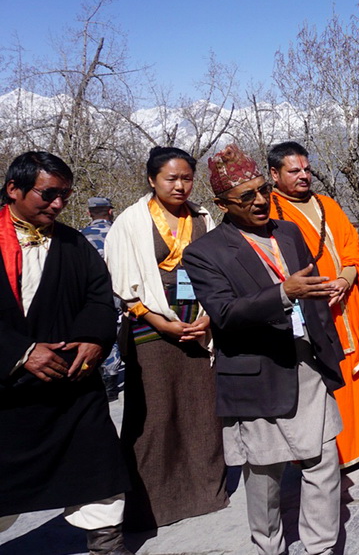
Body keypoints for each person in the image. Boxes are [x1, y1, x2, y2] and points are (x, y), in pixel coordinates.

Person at [183, 143, 346, 555]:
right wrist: (281, 293)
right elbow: (224, 313)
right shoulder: (205, 252)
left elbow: (312, 294)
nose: (259, 201)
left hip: (305, 363)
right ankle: (268, 546)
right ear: (223, 203)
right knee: (265, 474)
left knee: (323, 463)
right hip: (257, 373)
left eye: (262, 192)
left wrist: (330, 348)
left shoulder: (287, 232)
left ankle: (320, 547)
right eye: (246, 197)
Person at [0, 151, 131, 555]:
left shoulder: (74, 243)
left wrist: (93, 338)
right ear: (13, 190)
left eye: (65, 195)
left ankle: (107, 545)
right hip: (7, 396)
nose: (58, 204)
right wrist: (21, 352)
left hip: (71, 391)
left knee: (98, 468)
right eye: (49, 194)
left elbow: (98, 298)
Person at [104, 146, 228, 530]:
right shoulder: (131, 222)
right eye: (171, 179)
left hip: (199, 319)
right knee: (154, 413)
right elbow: (124, 283)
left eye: (186, 178)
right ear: (152, 180)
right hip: (150, 322)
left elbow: (219, 271)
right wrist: (160, 322)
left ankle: (207, 493)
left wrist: (209, 317)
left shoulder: (204, 218)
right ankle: (150, 504)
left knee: (202, 408)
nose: (180, 186)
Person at [266, 141, 359, 470]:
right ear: (274, 173)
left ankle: (356, 449)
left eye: (307, 169)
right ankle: (318, 457)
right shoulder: (269, 211)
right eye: (294, 170)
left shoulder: (327, 204)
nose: (303, 176)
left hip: (339, 308)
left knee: (347, 379)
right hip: (302, 313)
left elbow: (353, 251)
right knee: (313, 385)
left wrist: (344, 280)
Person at [81, 196, 122, 400]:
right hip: (120, 289)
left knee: (101, 330)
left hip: (95, 293)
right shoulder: (121, 233)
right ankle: (113, 374)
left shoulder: (80, 236)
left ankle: (105, 375)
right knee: (121, 329)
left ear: (89, 213)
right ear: (110, 211)